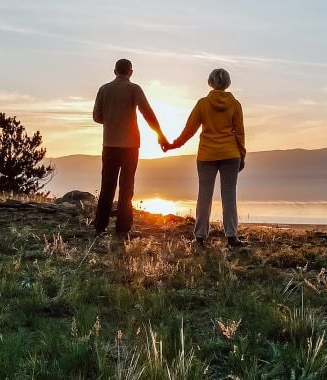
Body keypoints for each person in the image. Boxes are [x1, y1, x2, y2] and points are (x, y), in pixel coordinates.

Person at [164, 68, 247, 247]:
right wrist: (242, 154)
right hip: (231, 154)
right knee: (229, 195)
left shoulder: (203, 104)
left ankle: (200, 236)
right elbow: (239, 132)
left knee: (204, 195)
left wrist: (174, 144)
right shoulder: (235, 104)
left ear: (210, 82)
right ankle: (232, 236)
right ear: (228, 83)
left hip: (206, 155)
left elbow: (190, 130)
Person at [92, 58, 167, 237]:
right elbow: (147, 112)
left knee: (107, 186)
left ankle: (100, 226)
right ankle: (123, 228)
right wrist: (160, 134)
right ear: (131, 72)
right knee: (127, 187)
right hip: (130, 145)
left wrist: (110, 120)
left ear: (114, 71)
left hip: (109, 144)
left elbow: (96, 116)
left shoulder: (104, 89)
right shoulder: (134, 89)